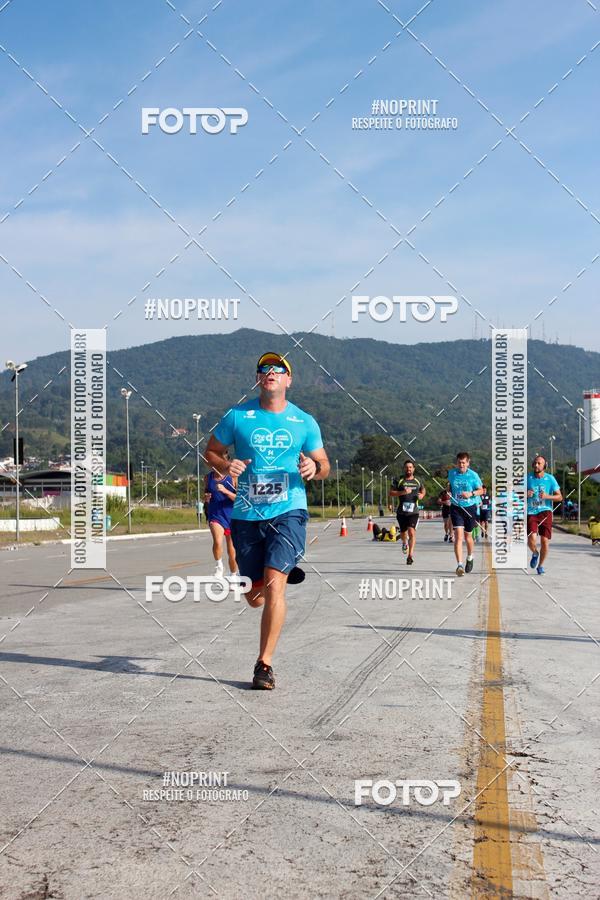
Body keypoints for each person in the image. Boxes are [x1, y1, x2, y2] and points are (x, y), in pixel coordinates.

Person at [205, 351, 330, 690]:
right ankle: (278, 570)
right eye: (264, 368)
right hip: (246, 515)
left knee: (274, 584)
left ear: (288, 380)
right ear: (258, 378)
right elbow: (211, 450)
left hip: (289, 509)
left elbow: (324, 464)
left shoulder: (304, 421)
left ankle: (264, 665)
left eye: (278, 369)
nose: (271, 372)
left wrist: (313, 469)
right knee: (254, 595)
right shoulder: (237, 416)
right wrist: (223, 465)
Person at [447, 452, 484, 576]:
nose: (461, 465)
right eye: (459, 462)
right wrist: (448, 492)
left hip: (470, 508)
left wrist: (471, 494)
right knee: (458, 536)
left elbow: (481, 491)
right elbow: (450, 487)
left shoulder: (473, 475)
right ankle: (459, 565)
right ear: (456, 462)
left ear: (468, 462)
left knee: (468, 537)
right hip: (456, 507)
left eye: (463, 462)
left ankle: (469, 556)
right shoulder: (452, 473)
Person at [527, 455, 562, 575]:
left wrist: (547, 496)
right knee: (531, 538)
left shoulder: (550, 479)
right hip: (532, 511)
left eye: (539, 463)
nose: (536, 465)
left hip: (546, 511)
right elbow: (517, 494)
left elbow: (560, 497)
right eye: (535, 463)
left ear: (544, 465)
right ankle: (535, 553)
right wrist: (526, 494)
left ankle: (540, 565)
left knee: (545, 541)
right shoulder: (528, 478)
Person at [390, 460, 426, 565]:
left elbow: (423, 490)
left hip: (413, 512)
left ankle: (410, 555)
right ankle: (404, 543)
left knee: (411, 531)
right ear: (404, 468)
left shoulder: (418, 480)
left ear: (413, 469)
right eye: (406, 467)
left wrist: (422, 495)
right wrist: (403, 492)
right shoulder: (399, 480)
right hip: (401, 512)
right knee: (403, 532)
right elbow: (391, 493)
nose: (408, 469)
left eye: (410, 467)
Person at [204, 467, 237, 578]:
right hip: (215, 515)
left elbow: (239, 499)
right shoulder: (208, 477)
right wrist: (206, 498)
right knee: (217, 541)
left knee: (231, 551)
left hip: (232, 516)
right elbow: (206, 495)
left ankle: (233, 575)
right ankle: (219, 566)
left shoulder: (233, 477)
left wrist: (225, 491)